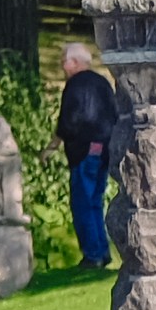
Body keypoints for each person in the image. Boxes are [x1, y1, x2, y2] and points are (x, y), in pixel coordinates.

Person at [54, 44, 127, 272]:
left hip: (85, 149)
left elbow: (70, 120)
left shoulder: (76, 85)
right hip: (104, 147)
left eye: (64, 61)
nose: (62, 66)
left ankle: (93, 254)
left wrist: (53, 144)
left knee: (83, 202)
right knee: (95, 201)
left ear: (74, 62)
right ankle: (101, 251)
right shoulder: (102, 83)